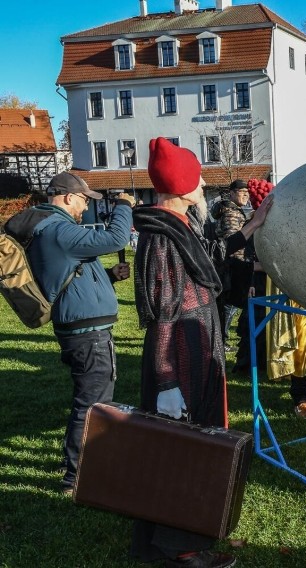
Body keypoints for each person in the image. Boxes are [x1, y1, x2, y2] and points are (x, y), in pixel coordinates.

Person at [130, 137, 273, 568]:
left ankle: (156, 541)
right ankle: (183, 549)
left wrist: (251, 227)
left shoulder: (180, 227)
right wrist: (168, 382)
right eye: (197, 177)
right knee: (183, 452)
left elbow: (210, 258)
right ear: (182, 185)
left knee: (178, 449)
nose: (205, 183)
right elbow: (163, 318)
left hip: (193, 354)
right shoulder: (162, 239)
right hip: (181, 362)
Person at [16, 172, 133, 495]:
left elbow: (69, 274)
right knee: (93, 403)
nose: (85, 207)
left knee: (88, 397)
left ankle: (76, 463)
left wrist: (108, 276)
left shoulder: (53, 230)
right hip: (87, 333)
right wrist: (124, 205)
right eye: (83, 200)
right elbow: (115, 239)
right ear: (68, 197)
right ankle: (77, 474)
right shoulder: (58, 230)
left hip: (81, 327)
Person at [214, 179, 253, 352]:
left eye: (247, 191)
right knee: (229, 305)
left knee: (230, 304)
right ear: (231, 193)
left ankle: (221, 339)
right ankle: (220, 340)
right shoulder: (231, 213)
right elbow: (231, 242)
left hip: (232, 264)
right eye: (241, 191)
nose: (246, 194)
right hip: (231, 265)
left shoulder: (234, 210)